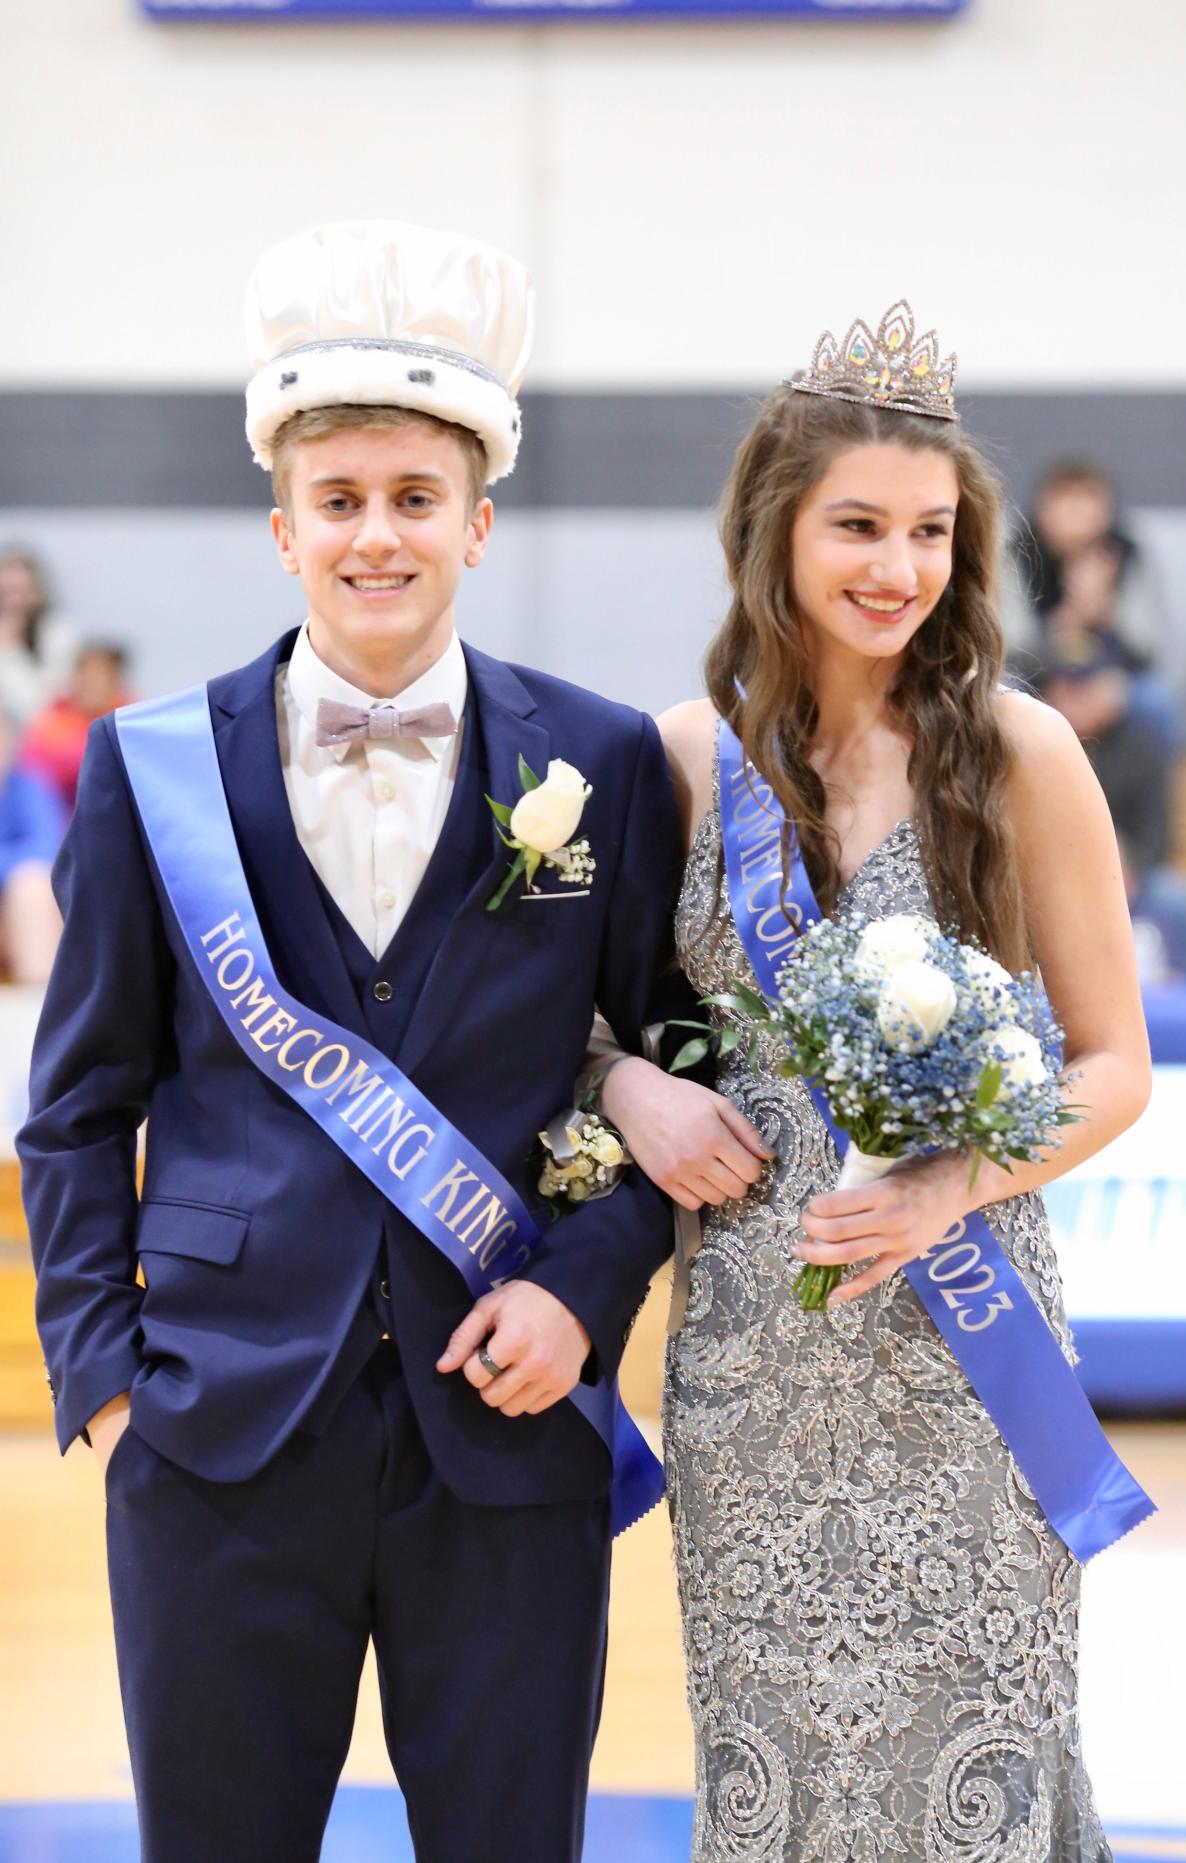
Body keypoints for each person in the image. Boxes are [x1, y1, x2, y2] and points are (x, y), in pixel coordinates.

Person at [18, 222, 683, 1863]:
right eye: (339, 502)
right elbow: (78, 1105)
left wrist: (581, 1283)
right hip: (217, 1429)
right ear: (280, 527)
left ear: (476, 520)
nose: (374, 533)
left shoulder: (597, 758)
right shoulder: (149, 768)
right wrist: (107, 1377)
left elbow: (656, 1066)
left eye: (410, 499)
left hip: (509, 1427)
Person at [599, 304, 1151, 1859]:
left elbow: (1113, 1066)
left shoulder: (1020, 750)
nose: (893, 568)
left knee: (986, 1774)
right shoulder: (672, 763)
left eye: (927, 531)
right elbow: (570, 1028)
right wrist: (633, 1090)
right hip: (752, 1371)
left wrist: (948, 1182)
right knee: (775, 1789)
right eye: (856, 524)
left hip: (968, 1353)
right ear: (771, 529)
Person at [1040, 635, 1186, 977]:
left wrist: (1129, 866)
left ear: (1108, 687)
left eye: (1082, 685)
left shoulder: (1140, 743)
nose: (1071, 696)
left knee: (1176, 898)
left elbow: (1159, 834)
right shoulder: (1037, 744)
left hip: (1131, 874)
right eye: (1063, 683)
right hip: (1056, 874)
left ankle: (1183, 998)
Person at [1004, 458, 1178, 753]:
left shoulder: (1127, 553)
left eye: (1087, 500)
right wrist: (1069, 618)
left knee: (1157, 703)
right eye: (1065, 500)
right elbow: (1008, 647)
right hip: (1036, 679)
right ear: (1043, 510)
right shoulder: (1018, 554)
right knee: (1002, 701)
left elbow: (1148, 648)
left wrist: (1105, 613)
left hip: (1112, 680)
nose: (1077, 514)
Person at [19, 641, 133, 809]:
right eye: (84, 674)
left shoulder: (129, 718)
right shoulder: (54, 718)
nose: (90, 684)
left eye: (99, 676)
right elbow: (34, 766)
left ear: (115, 680)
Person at [0, 709, 65, 984]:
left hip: (10, 903)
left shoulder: (29, 786)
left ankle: (35, 1006)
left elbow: (49, 849)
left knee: (33, 887)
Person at [0, 547, 78, 732]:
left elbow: (39, 712)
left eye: (20, 592)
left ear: (37, 592)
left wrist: (10, 649)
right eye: (5, 593)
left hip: (45, 744)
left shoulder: (57, 632)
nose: (13, 604)